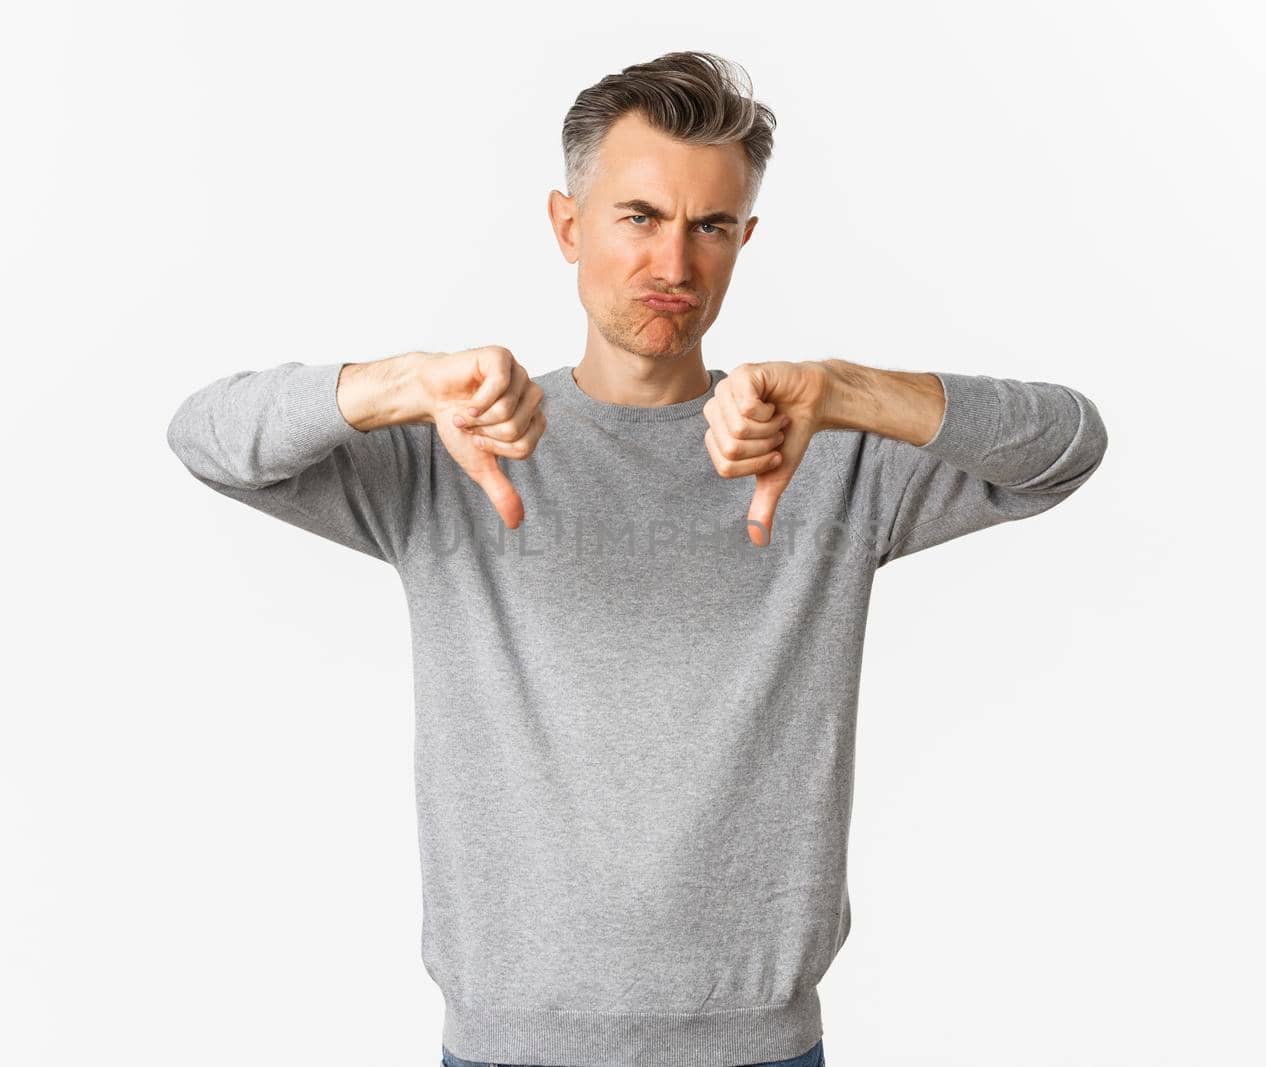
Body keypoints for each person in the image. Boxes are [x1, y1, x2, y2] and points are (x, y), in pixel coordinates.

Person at [164, 50, 1108, 1067]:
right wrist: (401, 383)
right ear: (569, 226)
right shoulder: (454, 445)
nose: (673, 265)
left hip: (758, 1045)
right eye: (639, 217)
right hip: (505, 1044)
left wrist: (848, 391)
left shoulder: (828, 457)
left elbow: (1063, 450)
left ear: (744, 239)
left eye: (709, 227)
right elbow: (210, 442)